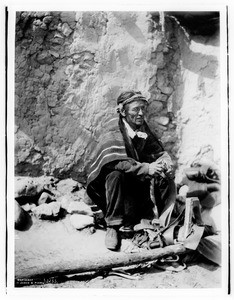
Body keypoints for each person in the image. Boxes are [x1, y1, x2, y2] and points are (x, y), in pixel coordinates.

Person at [87, 91, 175, 251]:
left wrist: (166, 164)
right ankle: (112, 226)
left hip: (135, 184)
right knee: (115, 175)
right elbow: (117, 162)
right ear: (122, 111)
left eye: (143, 108)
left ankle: (147, 218)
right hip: (112, 191)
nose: (141, 113)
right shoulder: (113, 128)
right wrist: (147, 168)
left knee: (162, 177)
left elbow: (158, 152)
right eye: (135, 109)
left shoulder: (141, 126)